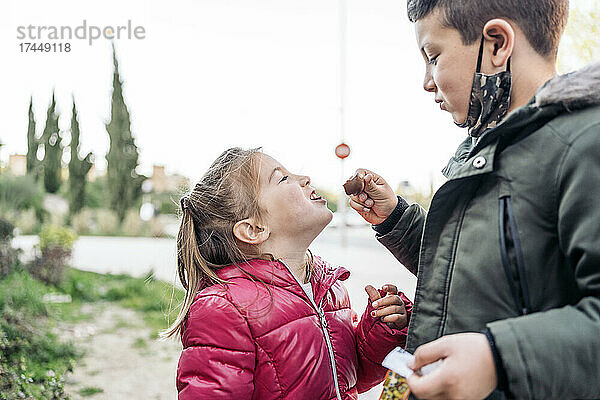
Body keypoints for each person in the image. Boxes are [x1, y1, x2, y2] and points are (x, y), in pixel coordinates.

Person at [348, 0, 600, 399]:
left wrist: (499, 359)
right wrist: (395, 217)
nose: (427, 82)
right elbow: (464, 270)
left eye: (433, 57)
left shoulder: (585, 145)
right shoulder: (480, 154)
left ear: (497, 44)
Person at [161, 147, 413, 399]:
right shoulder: (224, 308)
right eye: (282, 178)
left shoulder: (329, 288)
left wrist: (381, 330)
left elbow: (350, 378)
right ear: (254, 229)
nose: (304, 178)